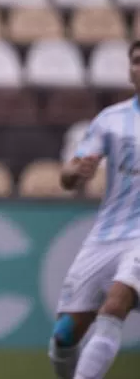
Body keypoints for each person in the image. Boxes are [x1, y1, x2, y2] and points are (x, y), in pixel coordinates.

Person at [49, 39, 140, 379]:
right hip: (106, 236)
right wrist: (75, 172)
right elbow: (68, 177)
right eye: (136, 61)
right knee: (64, 337)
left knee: (115, 304)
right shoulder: (111, 120)